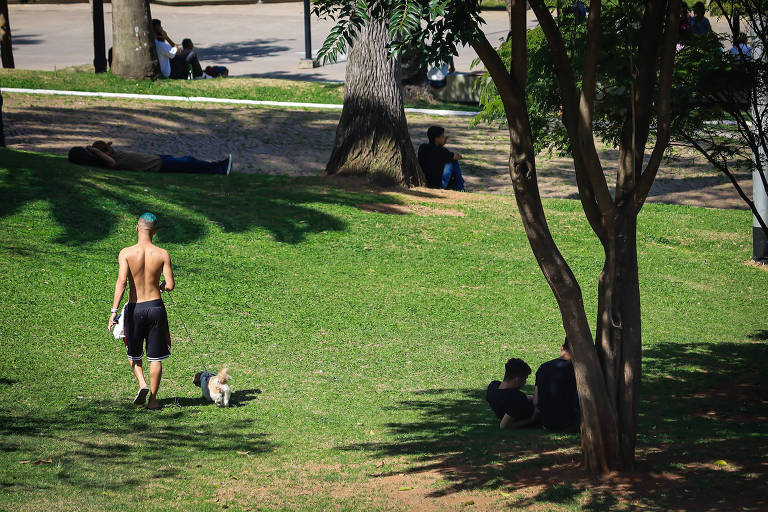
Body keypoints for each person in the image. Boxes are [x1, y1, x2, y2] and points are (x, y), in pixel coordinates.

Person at [108, 213, 175, 410]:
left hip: (135, 308)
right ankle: (153, 400)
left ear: (137, 228)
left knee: (133, 352)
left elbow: (121, 282)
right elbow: (170, 285)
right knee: (156, 357)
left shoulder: (126, 253)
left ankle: (142, 383)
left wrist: (113, 311)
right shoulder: (163, 254)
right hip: (155, 307)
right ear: (154, 231)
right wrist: (160, 286)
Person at [68, 141, 233, 175]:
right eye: (107, 148)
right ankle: (218, 169)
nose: (111, 148)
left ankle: (218, 166)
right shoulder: (104, 160)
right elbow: (110, 162)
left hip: (155, 158)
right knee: (189, 162)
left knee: (188, 162)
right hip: (155, 165)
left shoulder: (104, 155)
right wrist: (93, 150)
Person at [534, 338, 580, 432]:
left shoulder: (543, 368)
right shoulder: (578, 370)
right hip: (571, 423)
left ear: (562, 347)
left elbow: (535, 401)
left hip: (547, 423)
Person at [486, 358, 538, 429]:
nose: (525, 382)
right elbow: (504, 425)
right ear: (517, 379)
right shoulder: (516, 398)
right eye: (524, 379)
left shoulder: (493, 386)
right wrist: (532, 419)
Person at [417, 126, 465, 191]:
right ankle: (460, 187)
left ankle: (459, 186)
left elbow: (436, 153)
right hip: (439, 184)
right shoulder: (442, 151)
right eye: (442, 136)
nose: (444, 138)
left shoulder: (422, 148)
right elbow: (458, 157)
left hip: (427, 180)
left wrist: (442, 143)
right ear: (437, 139)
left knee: (449, 159)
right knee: (454, 161)